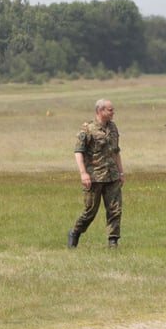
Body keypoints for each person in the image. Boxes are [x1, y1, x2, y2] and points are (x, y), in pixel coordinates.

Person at [67, 98, 125, 249]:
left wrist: (121, 172)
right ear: (100, 111)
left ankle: (113, 241)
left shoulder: (113, 128)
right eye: (110, 110)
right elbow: (78, 152)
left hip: (112, 176)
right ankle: (75, 233)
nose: (113, 112)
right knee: (90, 211)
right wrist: (83, 173)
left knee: (115, 209)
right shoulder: (87, 129)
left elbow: (116, 151)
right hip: (94, 177)